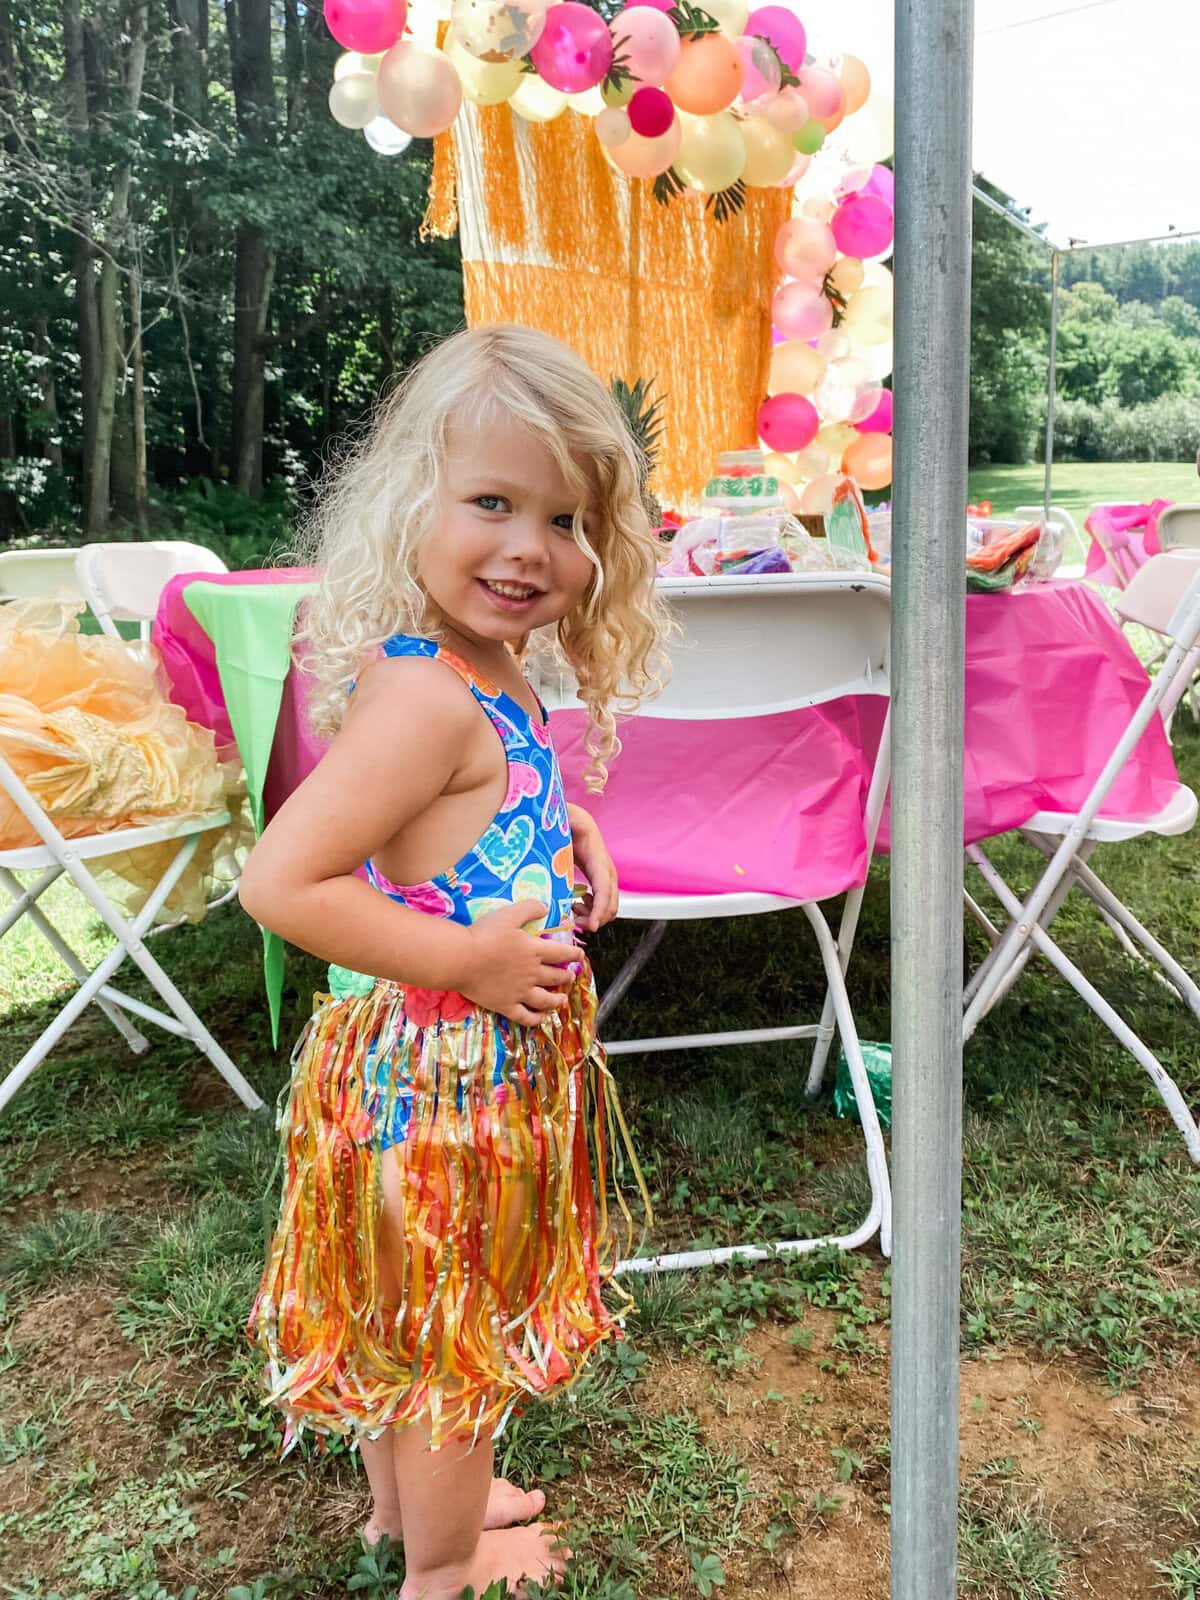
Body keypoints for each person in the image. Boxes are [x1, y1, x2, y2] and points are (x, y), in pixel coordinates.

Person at [240, 323, 668, 1600]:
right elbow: (282, 882)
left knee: (407, 1316)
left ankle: (402, 1512)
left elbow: (456, 819)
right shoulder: (427, 697)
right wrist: (468, 961)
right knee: (456, 1345)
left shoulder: (484, 672)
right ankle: (444, 1563)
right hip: (446, 1087)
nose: (531, 547)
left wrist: (559, 824)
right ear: (409, 504)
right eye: (492, 502)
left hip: (440, 1075)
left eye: (568, 518)